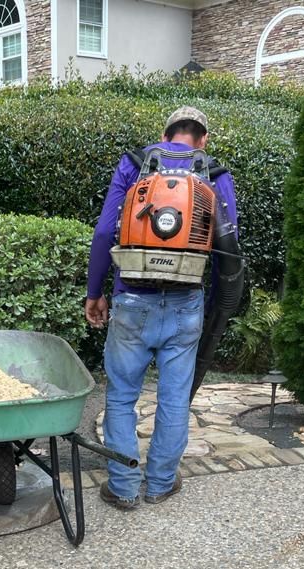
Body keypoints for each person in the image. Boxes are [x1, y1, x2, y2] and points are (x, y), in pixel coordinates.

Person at [85, 106, 239, 508]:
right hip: (187, 301)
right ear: (202, 139)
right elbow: (228, 248)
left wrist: (94, 290)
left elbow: (105, 230)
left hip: (132, 297)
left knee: (121, 396)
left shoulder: (136, 163)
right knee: (174, 397)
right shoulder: (216, 175)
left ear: (166, 133)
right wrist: (218, 303)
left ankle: (122, 487)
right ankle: (160, 484)